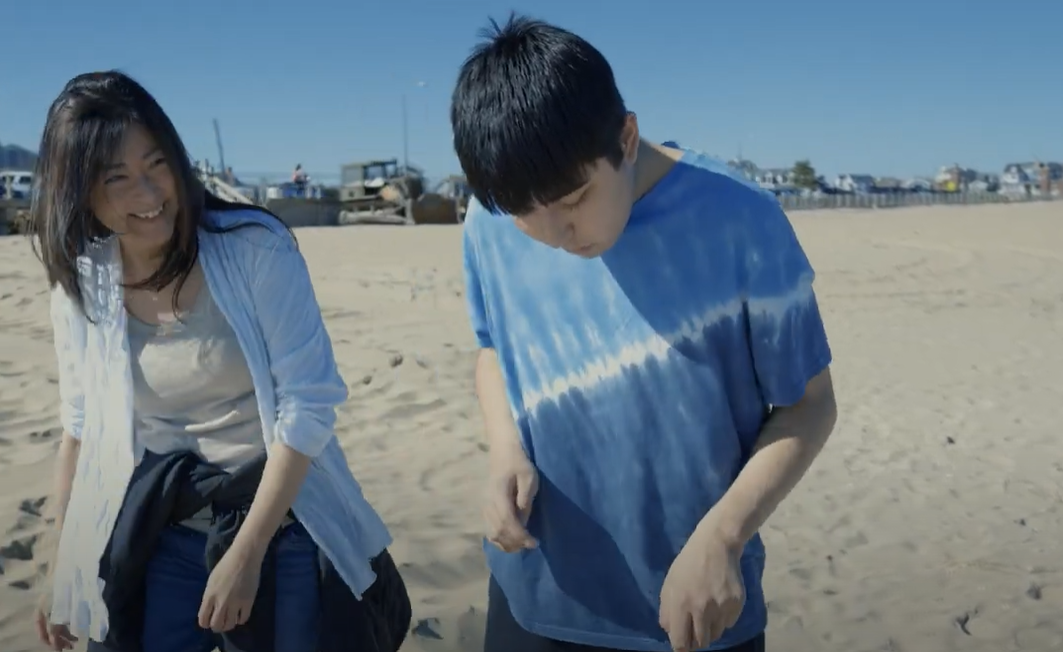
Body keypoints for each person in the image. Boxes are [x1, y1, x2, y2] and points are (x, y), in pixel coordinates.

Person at [452, 15, 839, 652]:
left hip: (695, 607)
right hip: (535, 600)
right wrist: (503, 451)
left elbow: (809, 404)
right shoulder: (489, 214)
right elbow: (494, 347)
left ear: (626, 138)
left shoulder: (742, 221)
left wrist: (724, 538)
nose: (556, 235)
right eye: (527, 216)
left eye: (574, 200)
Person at [29, 71, 410, 652]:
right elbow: (79, 430)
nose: (150, 195)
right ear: (79, 190)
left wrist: (248, 552)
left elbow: (307, 407)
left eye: (157, 164)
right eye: (118, 178)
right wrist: (64, 561)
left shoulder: (254, 248)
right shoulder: (85, 287)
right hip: (165, 523)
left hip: (281, 524)